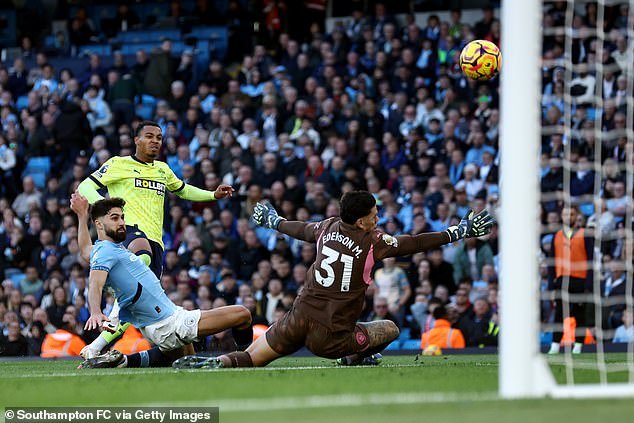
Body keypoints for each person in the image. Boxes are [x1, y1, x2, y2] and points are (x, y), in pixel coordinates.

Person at [171, 191, 493, 369]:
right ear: (361, 219)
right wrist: (458, 232)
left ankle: (219, 363)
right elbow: (415, 243)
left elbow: (300, 229)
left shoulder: (327, 226)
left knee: (253, 358)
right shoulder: (374, 241)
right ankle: (354, 356)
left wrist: (274, 221)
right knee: (389, 329)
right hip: (332, 336)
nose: (377, 216)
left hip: (297, 319)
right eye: (374, 213)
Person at [77, 120, 234, 358]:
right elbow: (85, 186)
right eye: (149, 136)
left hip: (156, 243)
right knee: (141, 254)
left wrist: (213, 194)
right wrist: (107, 211)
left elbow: (183, 189)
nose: (155, 141)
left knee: (135, 302)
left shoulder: (162, 169)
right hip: (128, 232)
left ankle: (95, 347)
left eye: (159, 138)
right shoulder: (118, 164)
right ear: (136, 140)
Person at [69, 194, 252, 369]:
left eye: (122, 217)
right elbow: (95, 284)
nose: (122, 222)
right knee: (243, 314)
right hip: (169, 323)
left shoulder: (104, 249)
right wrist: (95, 311)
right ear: (99, 224)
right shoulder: (105, 253)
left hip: (158, 325)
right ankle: (248, 356)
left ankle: (121, 361)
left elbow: (85, 249)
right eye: (115, 218)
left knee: (188, 361)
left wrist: (81, 215)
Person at [547, 205, 594, 354]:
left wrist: (589, 284)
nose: (569, 217)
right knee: (559, 314)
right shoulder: (557, 236)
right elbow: (551, 263)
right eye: (566, 214)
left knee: (580, 314)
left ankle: (578, 346)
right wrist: (551, 286)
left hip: (580, 279)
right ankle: (554, 346)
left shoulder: (585, 235)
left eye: (572, 214)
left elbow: (592, 261)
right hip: (562, 280)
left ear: (576, 216)